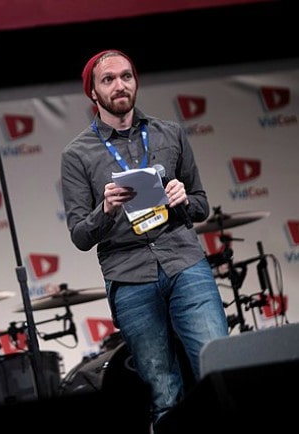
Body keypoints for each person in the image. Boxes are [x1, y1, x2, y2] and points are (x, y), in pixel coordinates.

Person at [60, 50, 229, 431]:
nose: (120, 85)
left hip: (184, 262)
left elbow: (201, 206)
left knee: (219, 370)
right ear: (93, 93)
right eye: (108, 80)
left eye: (126, 76)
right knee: (162, 392)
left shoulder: (170, 133)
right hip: (130, 276)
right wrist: (105, 208)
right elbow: (79, 235)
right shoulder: (76, 155)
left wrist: (184, 199)